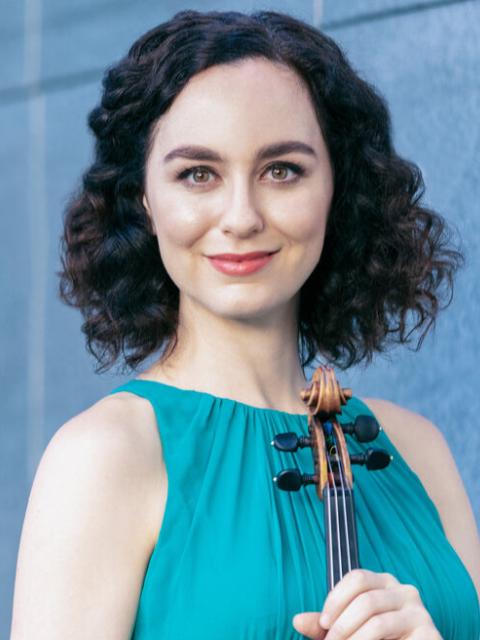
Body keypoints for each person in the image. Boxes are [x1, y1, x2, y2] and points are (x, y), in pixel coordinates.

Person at [10, 9, 479, 640]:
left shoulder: (418, 452)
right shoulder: (105, 458)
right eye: (197, 174)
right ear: (145, 199)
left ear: (337, 187)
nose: (241, 216)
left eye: (282, 170)